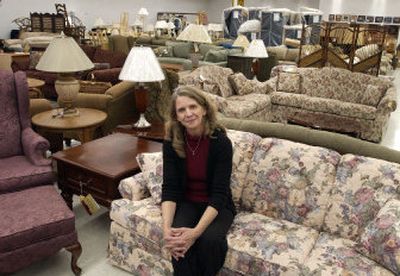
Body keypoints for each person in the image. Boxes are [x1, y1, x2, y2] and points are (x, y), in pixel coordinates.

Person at [161, 85, 236, 276]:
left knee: (210, 241)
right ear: (176, 116)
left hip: (217, 206)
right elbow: (169, 188)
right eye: (181, 110)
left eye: (193, 107)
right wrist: (167, 230)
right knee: (177, 240)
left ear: (204, 109)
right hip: (188, 201)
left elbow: (219, 195)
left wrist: (195, 234)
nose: (188, 114)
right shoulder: (171, 141)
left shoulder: (221, 142)